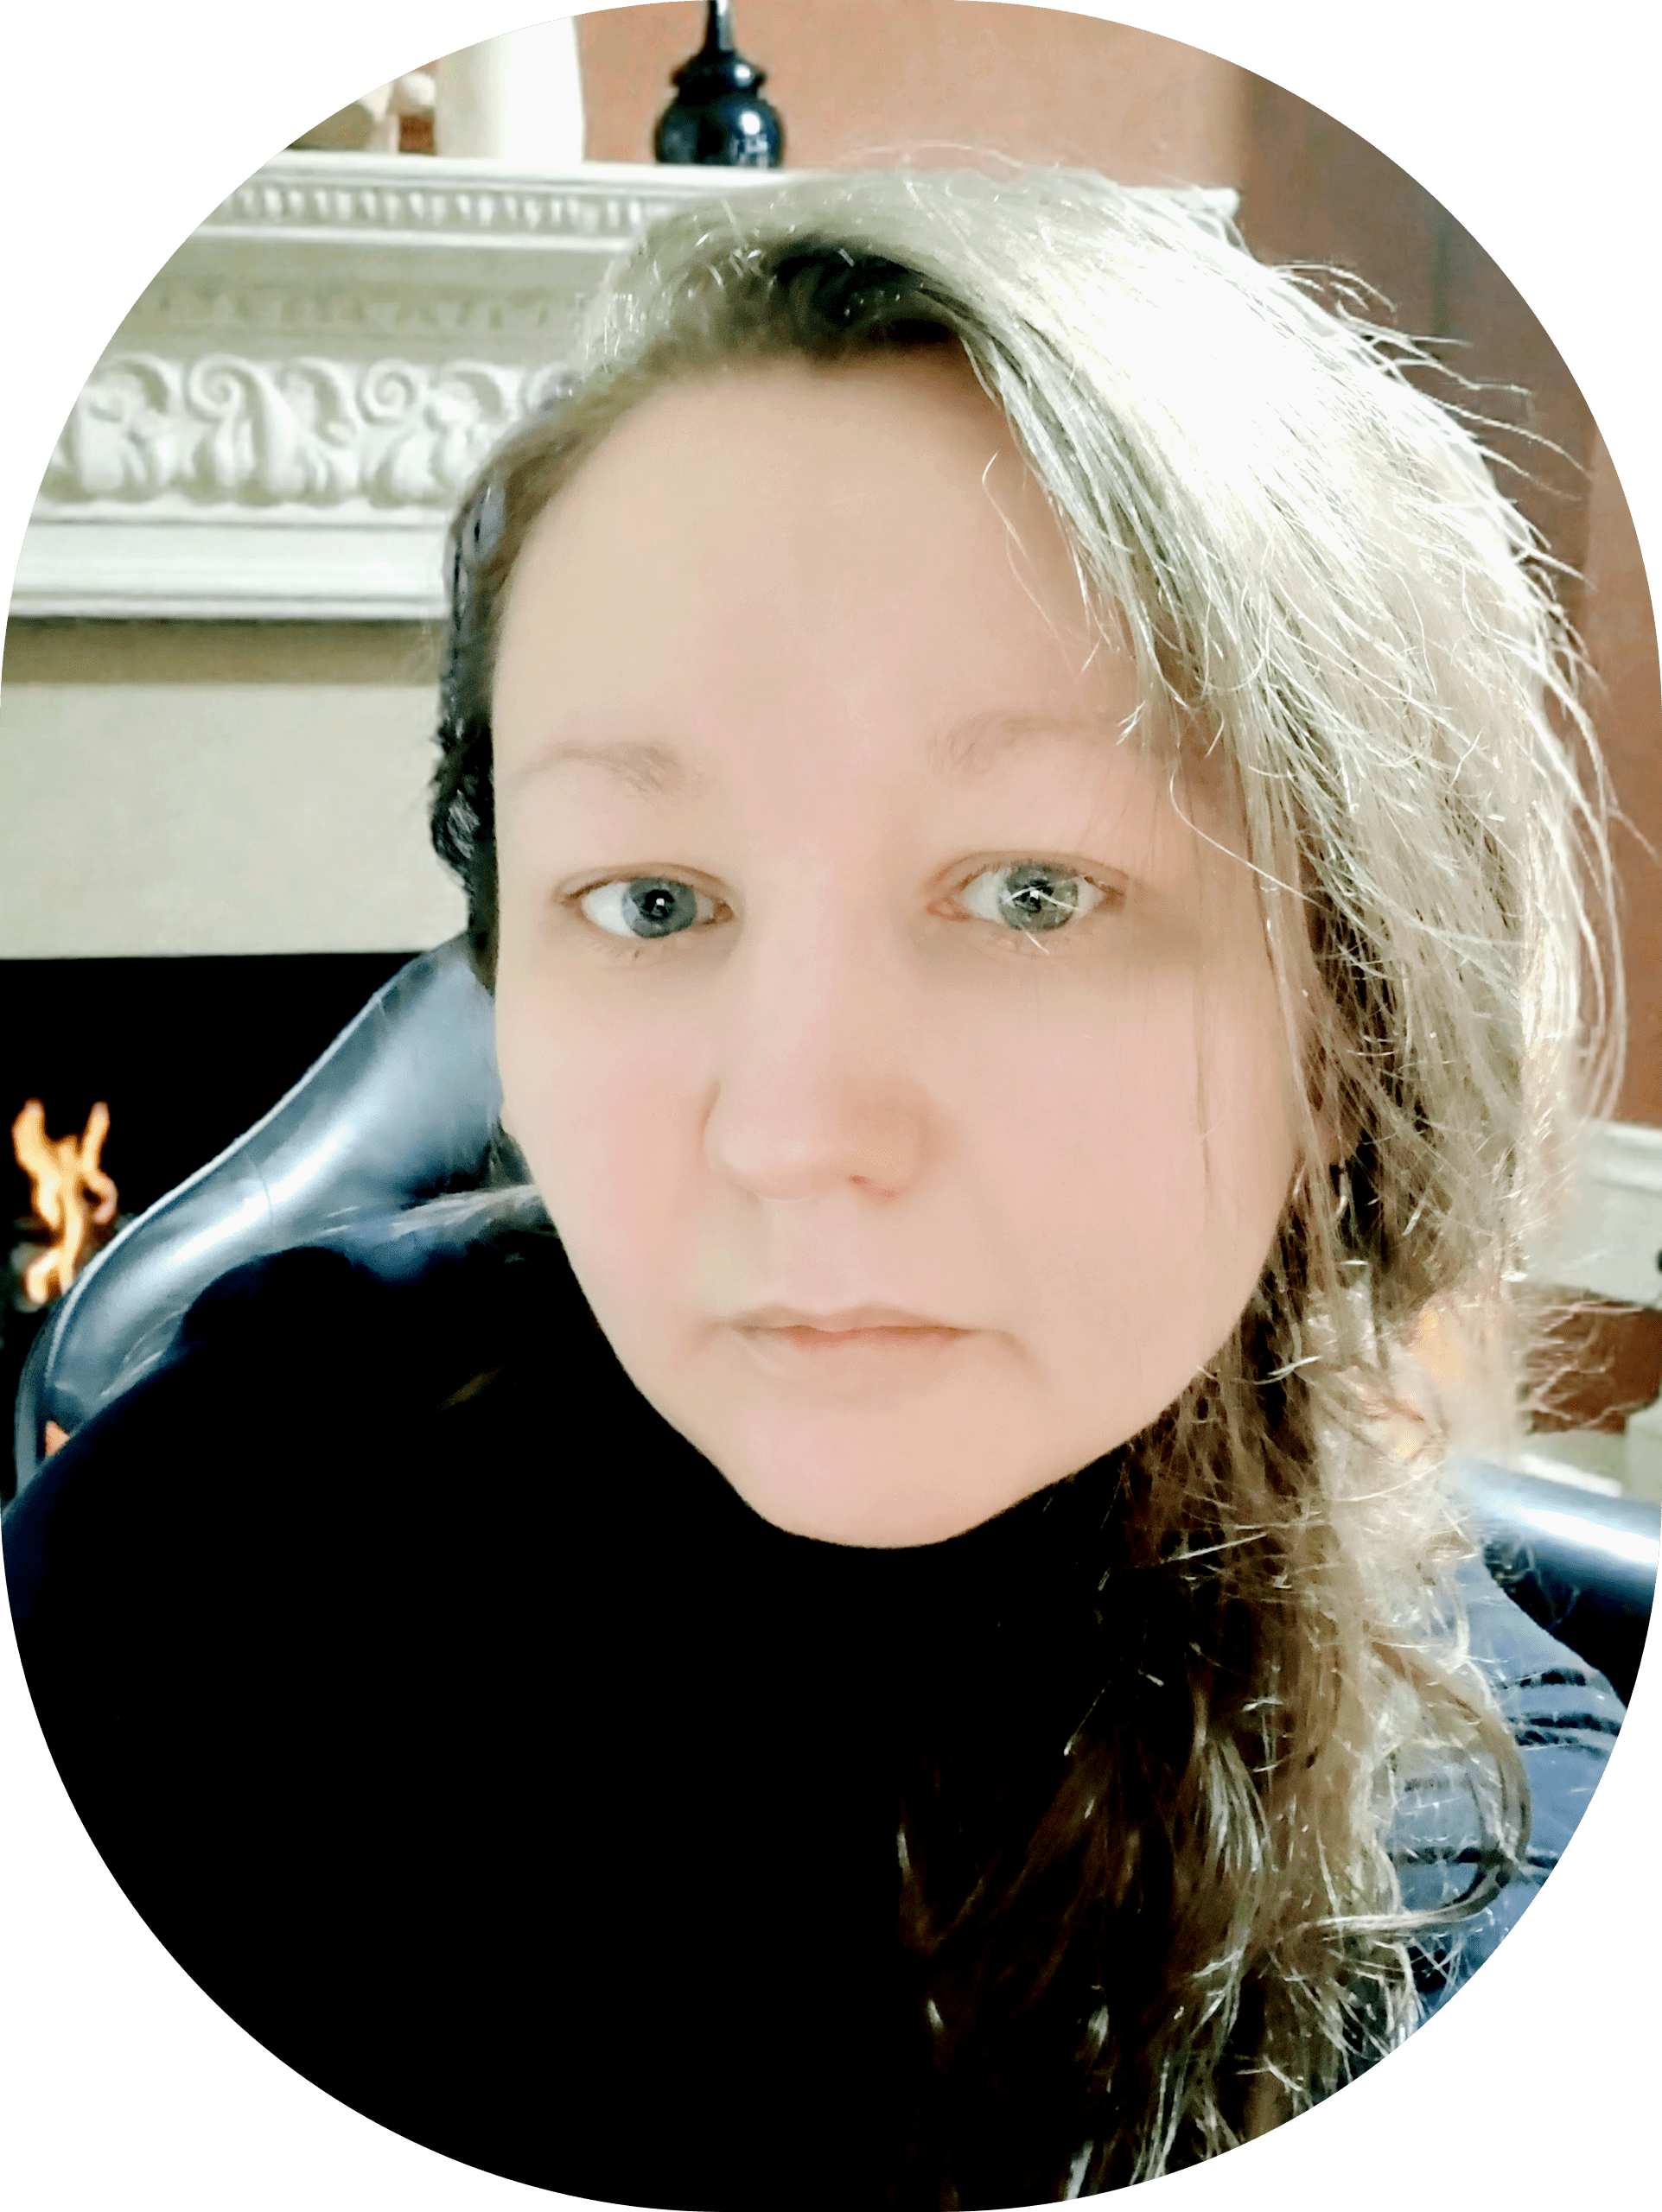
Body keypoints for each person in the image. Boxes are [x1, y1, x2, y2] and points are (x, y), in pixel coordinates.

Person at [3, 169, 1628, 2209]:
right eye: (651, 899)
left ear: (1346, 1012)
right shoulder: (223, 1528)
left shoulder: (1470, 1872)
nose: (789, 1125)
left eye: (1030, 890)